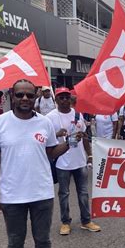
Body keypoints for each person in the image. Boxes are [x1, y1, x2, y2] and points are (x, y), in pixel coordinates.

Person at [0, 79, 72, 248]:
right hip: (12, 196)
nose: (25, 99)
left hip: (42, 193)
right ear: (12, 95)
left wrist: (70, 142)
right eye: (20, 94)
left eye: (29, 95)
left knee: (43, 240)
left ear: (36, 98)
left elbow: (51, 152)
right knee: (15, 242)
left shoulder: (45, 123)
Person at [46, 87, 101, 236]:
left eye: (66, 97)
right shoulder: (50, 117)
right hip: (62, 162)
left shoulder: (78, 114)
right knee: (64, 193)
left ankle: (86, 221)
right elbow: (45, 139)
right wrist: (56, 134)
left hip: (80, 161)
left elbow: (84, 136)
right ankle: (65, 222)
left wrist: (89, 155)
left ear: (70, 99)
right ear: (56, 99)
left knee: (83, 192)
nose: (64, 100)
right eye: (61, 97)